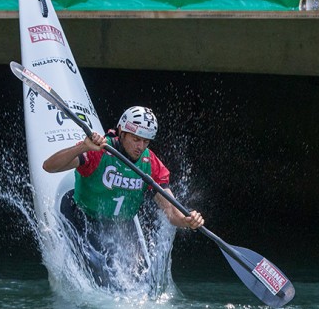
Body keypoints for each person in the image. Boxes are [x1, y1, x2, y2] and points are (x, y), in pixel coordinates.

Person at [42, 106, 204, 288]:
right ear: (121, 132)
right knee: (105, 279)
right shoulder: (99, 151)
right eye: (136, 139)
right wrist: (82, 147)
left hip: (120, 226)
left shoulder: (151, 164)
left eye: (146, 141)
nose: (140, 147)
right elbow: (49, 166)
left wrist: (188, 220)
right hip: (83, 217)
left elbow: (172, 213)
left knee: (139, 282)